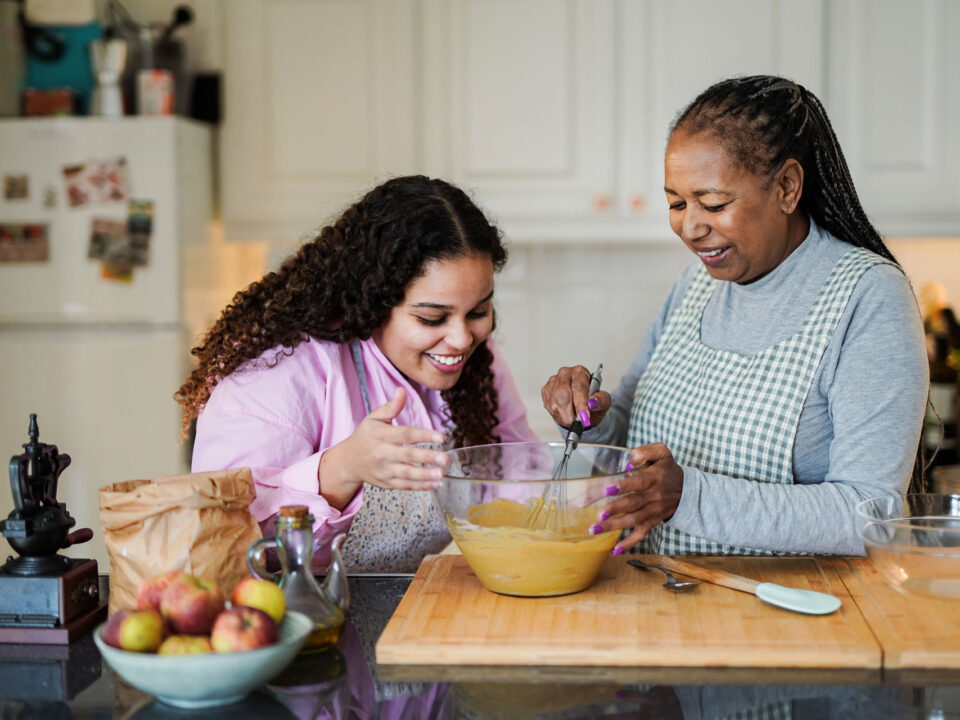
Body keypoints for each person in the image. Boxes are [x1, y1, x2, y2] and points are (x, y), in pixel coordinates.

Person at [541, 75, 928, 557]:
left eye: (714, 203)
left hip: (788, 619)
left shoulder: (867, 296)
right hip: (657, 600)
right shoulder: (695, 286)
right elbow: (626, 439)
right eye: (676, 203)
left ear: (787, 187)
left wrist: (688, 496)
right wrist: (589, 418)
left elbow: (871, 515)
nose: (691, 226)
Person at [176, 175, 538, 572]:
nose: (461, 338)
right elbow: (225, 534)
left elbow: (519, 474)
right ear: (373, 303)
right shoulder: (277, 369)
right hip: (288, 620)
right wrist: (342, 468)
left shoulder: (473, 362)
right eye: (431, 317)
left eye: (478, 312)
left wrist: (589, 487)